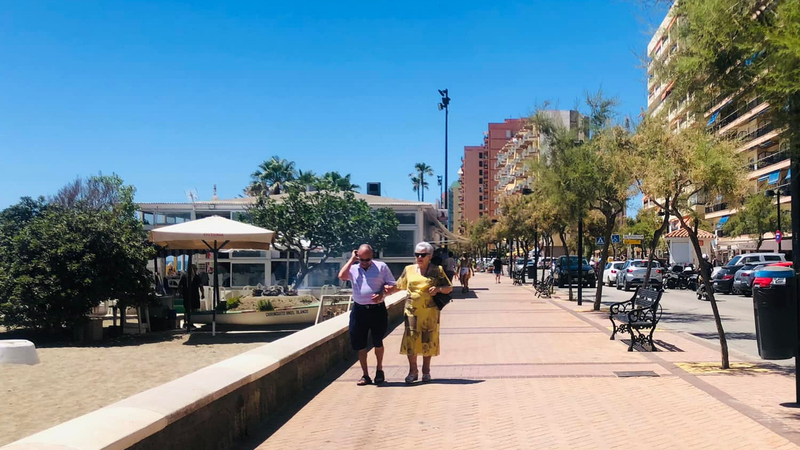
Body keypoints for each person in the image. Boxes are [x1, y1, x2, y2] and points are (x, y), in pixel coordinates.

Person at [338, 244, 397, 386]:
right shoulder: (353, 268)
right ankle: (365, 375)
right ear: (357, 256)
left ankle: (379, 370)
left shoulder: (381, 267)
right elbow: (342, 276)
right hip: (359, 310)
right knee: (360, 344)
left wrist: (382, 293)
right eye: (362, 259)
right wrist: (352, 260)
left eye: (367, 259)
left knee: (378, 341)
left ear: (372, 256)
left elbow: (394, 286)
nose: (364, 262)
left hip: (377, 310)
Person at [395, 242, 453, 383]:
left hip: (430, 312)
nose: (419, 257)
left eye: (423, 255)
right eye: (417, 255)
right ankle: (413, 371)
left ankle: (426, 371)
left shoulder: (437, 270)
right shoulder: (408, 269)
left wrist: (438, 289)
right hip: (412, 311)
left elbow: (449, 288)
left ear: (430, 256)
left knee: (428, 340)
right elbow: (398, 286)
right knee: (411, 340)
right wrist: (382, 293)